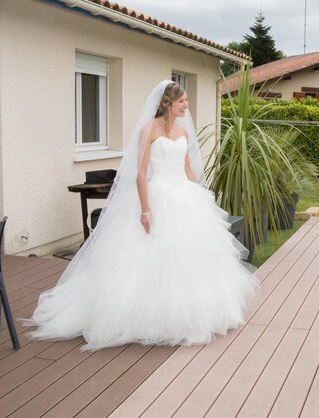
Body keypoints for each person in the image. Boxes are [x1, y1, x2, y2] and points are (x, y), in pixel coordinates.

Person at [23, 80, 258, 351]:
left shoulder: (183, 132)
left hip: (183, 195)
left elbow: (187, 170)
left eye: (186, 101)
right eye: (182, 101)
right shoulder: (149, 130)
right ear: (167, 104)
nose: (187, 106)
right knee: (149, 256)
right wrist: (146, 209)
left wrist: (200, 197)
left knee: (189, 257)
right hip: (157, 196)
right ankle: (142, 318)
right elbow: (141, 173)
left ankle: (188, 314)